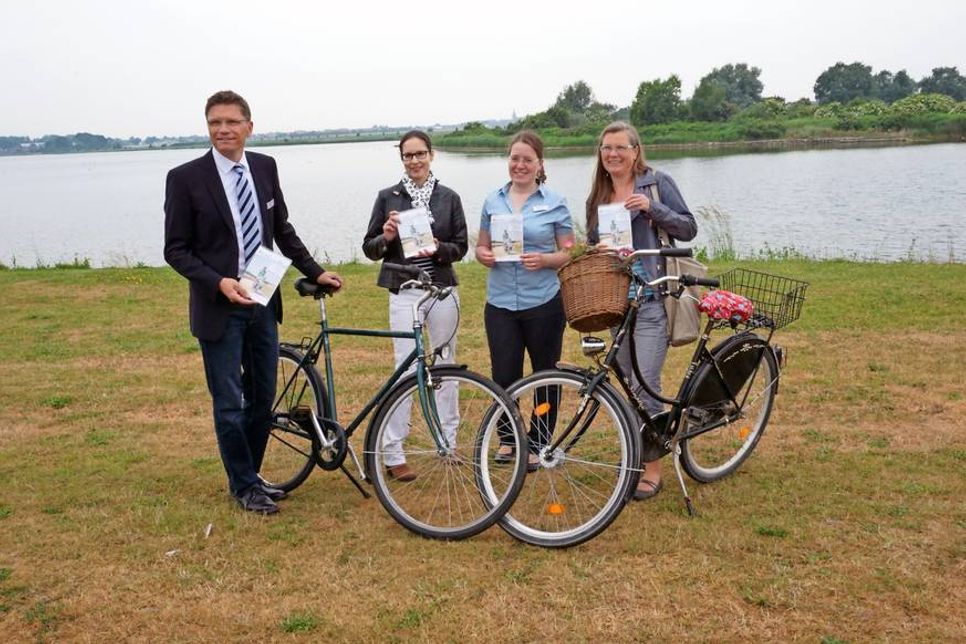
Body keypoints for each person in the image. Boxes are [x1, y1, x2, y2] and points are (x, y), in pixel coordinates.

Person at [164, 90, 343, 514]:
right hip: (219, 307)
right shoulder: (185, 178)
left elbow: (281, 228)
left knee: (262, 398)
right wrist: (218, 282)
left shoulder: (265, 167)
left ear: (249, 126)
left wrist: (314, 271)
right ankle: (244, 485)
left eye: (230, 122)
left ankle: (251, 477)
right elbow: (176, 249)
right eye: (214, 123)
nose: (222, 130)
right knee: (229, 402)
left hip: (262, 301)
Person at [585, 121, 697, 500]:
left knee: (646, 386)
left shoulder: (657, 182)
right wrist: (597, 251)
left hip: (651, 300)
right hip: (617, 303)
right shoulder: (599, 194)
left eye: (620, 147)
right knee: (628, 387)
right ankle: (637, 454)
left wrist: (653, 208)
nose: (612, 154)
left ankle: (652, 469)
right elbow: (592, 243)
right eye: (606, 148)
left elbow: (688, 229)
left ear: (636, 150)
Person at [362, 130, 468, 481]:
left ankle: (447, 443)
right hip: (404, 289)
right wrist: (387, 236)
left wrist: (438, 247)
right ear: (402, 159)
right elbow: (370, 248)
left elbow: (461, 246)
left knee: (444, 366)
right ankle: (394, 453)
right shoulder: (386, 197)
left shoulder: (448, 197)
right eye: (408, 156)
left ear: (431, 155)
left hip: (440, 291)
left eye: (420, 154)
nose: (415, 161)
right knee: (405, 369)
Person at [476, 131, 574, 467]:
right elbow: (481, 246)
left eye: (527, 160)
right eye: (515, 158)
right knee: (504, 374)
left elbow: (568, 252)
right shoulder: (492, 200)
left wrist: (545, 260)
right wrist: (484, 255)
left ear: (539, 164)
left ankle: (540, 440)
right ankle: (508, 438)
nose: (519, 165)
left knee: (545, 374)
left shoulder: (555, 202)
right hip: (501, 303)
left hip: (543, 303)